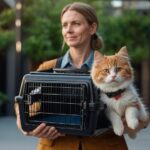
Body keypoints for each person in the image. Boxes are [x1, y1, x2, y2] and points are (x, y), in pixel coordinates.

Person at [15, 2, 149, 150]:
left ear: (92, 28)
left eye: (76, 24)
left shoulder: (112, 67)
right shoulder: (47, 68)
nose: (69, 30)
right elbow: (23, 102)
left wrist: (135, 125)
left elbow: (137, 109)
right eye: (64, 25)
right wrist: (26, 127)